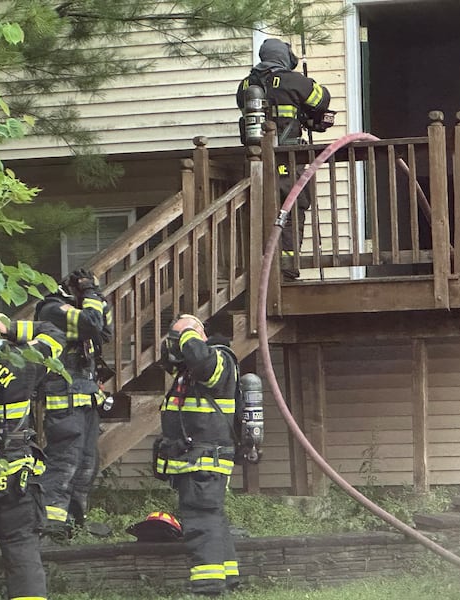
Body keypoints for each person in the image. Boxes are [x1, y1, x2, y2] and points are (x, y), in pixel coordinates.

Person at [0, 313, 66, 600]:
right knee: (22, 552)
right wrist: (14, 329)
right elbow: (55, 333)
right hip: (14, 476)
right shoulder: (24, 360)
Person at [155, 314, 240, 596]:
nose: (177, 345)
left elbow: (203, 364)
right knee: (211, 515)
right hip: (195, 459)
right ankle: (227, 576)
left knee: (200, 519)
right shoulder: (188, 370)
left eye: (182, 339)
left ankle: (208, 584)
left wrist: (189, 331)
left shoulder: (219, 358)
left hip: (205, 459)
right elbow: (170, 359)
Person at [236, 38, 334, 280]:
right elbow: (321, 99)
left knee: (262, 214)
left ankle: (263, 269)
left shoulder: (246, 85)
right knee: (291, 210)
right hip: (289, 160)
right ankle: (287, 270)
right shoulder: (294, 81)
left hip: (256, 162)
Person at [34, 269, 112, 539]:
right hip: (64, 399)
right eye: (85, 291)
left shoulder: (83, 310)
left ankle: (73, 524)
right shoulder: (52, 308)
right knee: (64, 462)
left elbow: (105, 330)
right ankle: (49, 525)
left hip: (87, 397)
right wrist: (90, 294)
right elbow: (91, 323)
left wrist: (96, 295)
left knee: (86, 465)